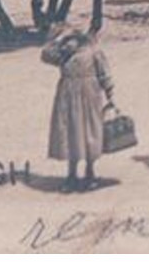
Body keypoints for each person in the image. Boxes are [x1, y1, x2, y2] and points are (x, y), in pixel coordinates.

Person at [42, 24, 116, 191]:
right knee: (70, 133)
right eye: (66, 42)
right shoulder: (63, 55)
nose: (68, 45)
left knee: (89, 132)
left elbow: (105, 74)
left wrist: (111, 96)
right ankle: (71, 175)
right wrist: (58, 39)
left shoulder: (93, 51)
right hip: (67, 96)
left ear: (79, 40)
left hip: (89, 94)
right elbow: (45, 55)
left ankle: (90, 173)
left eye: (71, 41)